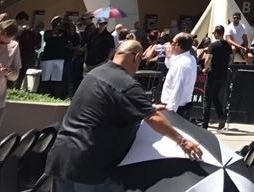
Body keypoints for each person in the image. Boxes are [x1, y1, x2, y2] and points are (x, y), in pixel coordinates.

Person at [47, 39, 202, 192]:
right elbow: (153, 118)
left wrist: (147, 106)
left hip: (62, 158)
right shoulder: (127, 84)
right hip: (90, 166)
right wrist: (183, 141)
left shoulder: (95, 73)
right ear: (136, 57)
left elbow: (108, 103)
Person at [200, 25, 232, 130]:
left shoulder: (213, 46)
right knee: (214, 96)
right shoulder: (228, 46)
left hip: (213, 75)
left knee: (207, 99)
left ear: (216, 33)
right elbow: (231, 59)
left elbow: (208, 59)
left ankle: (204, 124)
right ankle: (221, 116)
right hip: (223, 75)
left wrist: (206, 69)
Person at [158, 33, 197, 118]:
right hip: (179, 106)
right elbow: (170, 65)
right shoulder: (189, 58)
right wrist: (168, 56)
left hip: (175, 108)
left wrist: (170, 113)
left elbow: (178, 88)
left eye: (172, 42)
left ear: (178, 45)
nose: (170, 44)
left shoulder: (181, 64)